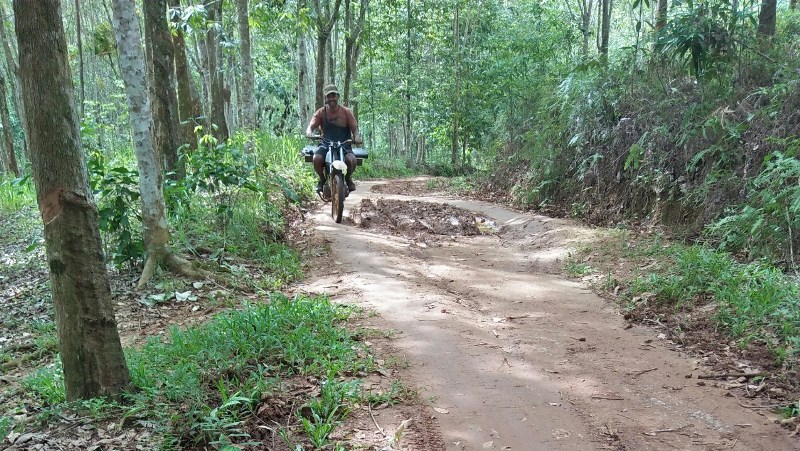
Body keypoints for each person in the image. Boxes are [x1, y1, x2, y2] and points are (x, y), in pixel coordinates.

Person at [305, 83, 362, 193]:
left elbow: (354, 128)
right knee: (316, 158)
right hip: (326, 143)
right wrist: (309, 131)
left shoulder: (346, 112)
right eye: (329, 96)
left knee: (351, 160)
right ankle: (322, 180)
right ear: (325, 98)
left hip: (344, 144)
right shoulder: (321, 112)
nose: (331, 98)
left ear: (338, 97)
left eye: (333, 96)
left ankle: (347, 178)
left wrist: (357, 137)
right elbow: (311, 126)